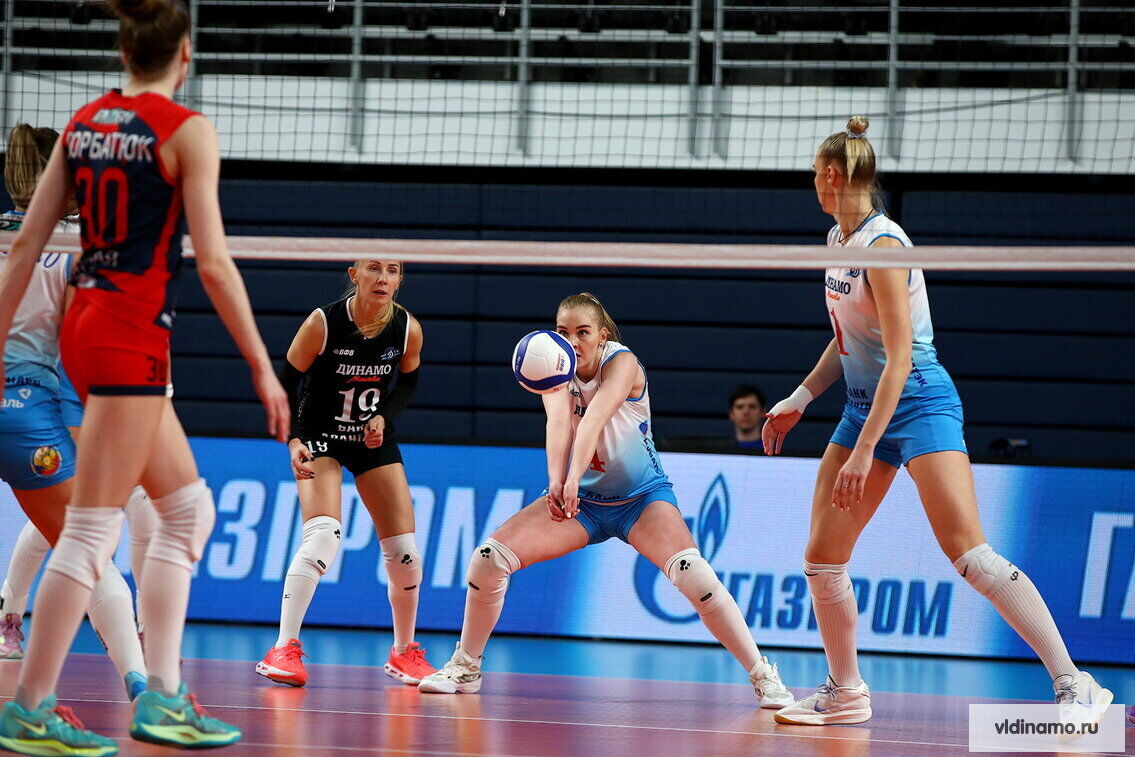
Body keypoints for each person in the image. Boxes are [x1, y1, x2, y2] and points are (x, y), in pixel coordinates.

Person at [0, 0, 289, 752]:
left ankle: (162, 694)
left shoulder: (83, 124)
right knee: (92, 531)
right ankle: (30, 705)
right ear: (184, 55)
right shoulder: (187, 131)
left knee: (186, 511)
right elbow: (214, 263)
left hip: (88, 324)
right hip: (129, 330)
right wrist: (262, 367)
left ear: (124, 51)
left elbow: (24, 248)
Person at [764, 116, 1111, 728]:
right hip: (862, 405)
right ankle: (846, 692)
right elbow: (848, 338)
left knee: (969, 554)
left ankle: (1074, 684)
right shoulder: (837, 239)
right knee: (823, 558)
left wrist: (865, 451)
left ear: (835, 175)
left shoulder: (885, 248)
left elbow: (899, 358)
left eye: (817, 174)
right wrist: (801, 397)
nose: (813, 184)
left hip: (919, 401)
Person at [418, 292, 793, 707]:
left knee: (695, 576)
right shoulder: (554, 366)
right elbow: (558, 423)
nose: (571, 341)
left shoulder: (623, 363)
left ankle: (763, 674)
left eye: (582, 332)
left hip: (640, 498)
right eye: (563, 332)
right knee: (488, 560)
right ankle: (466, 666)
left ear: (602, 336)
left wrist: (571, 478)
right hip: (584, 504)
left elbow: (593, 418)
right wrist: (557, 481)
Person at [0, 125, 154, 701]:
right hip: (28, 416)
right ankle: (141, 682)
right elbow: (77, 349)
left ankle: (9, 616)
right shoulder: (77, 250)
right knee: (87, 547)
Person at [256, 259, 435, 688]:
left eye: (392, 270)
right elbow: (287, 383)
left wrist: (383, 416)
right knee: (323, 537)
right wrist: (294, 440)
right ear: (354, 275)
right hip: (320, 438)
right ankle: (282, 648)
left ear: (400, 279)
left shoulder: (407, 329)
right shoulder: (323, 323)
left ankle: (403, 652)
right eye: (373, 268)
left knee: (406, 553)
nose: (383, 278)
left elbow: (408, 383)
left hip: (371, 440)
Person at [728, 383, 766, 452]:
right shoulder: (717, 451)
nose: (746, 412)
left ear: (763, 412)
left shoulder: (776, 450)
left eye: (752, 407)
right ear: (731, 413)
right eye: (740, 407)